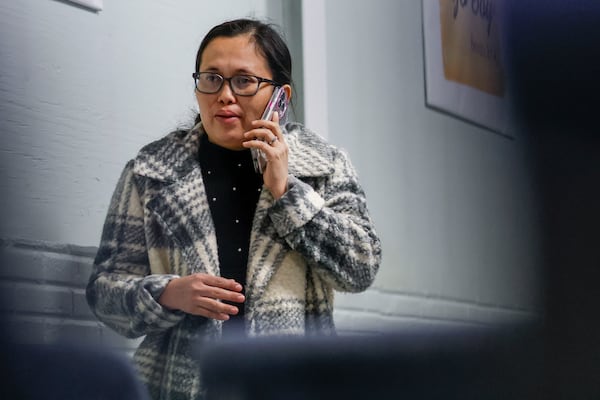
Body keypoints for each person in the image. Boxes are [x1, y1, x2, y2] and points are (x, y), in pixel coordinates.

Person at [86, 18, 381, 399]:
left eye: (244, 81)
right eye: (211, 78)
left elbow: (360, 268)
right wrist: (168, 293)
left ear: (280, 96)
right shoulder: (151, 172)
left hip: (293, 383)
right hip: (179, 385)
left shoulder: (323, 167)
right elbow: (104, 292)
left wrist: (286, 191)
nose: (224, 95)